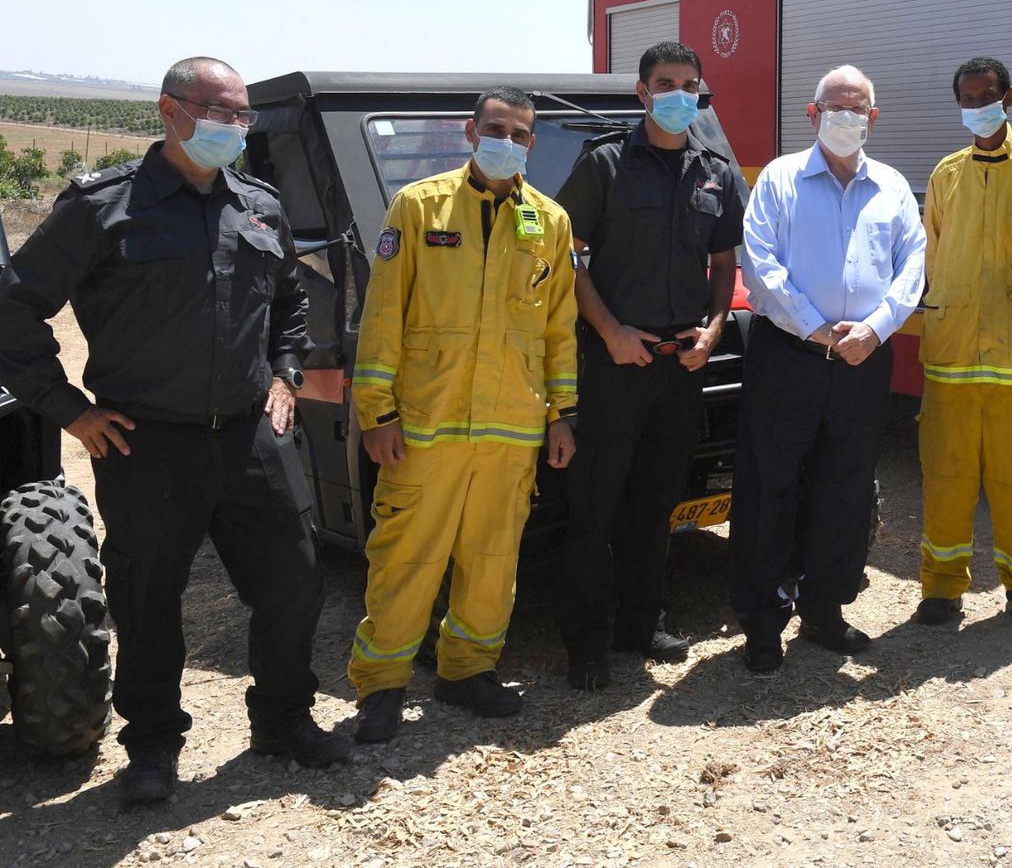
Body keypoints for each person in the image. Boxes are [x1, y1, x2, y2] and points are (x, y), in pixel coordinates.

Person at [0, 56, 348, 805]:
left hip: (251, 437)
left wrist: (285, 374)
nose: (235, 127)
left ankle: (284, 719)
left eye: (243, 116)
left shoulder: (259, 205)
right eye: (219, 111)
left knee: (294, 581)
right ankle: (152, 746)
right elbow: (13, 308)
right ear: (169, 110)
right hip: (145, 441)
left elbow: (290, 299)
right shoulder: (103, 206)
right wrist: (69, 409)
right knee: (149, 600)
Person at [348, 86, 578, 741]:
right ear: (470, 131)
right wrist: (376, 412)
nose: (508, 141)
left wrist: (563, 414)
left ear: (533, 143)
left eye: (521, 133)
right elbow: (384, 313)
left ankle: (467, 673)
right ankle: (381, 687)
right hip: (426, 426)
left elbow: (558, 328)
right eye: (497, 128)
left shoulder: (549, 222)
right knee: (404, 561)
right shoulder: (419, 206)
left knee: (492, 560)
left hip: (511, 430)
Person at [553, 41, 745, 691]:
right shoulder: (603, 165)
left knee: (655, 504)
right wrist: (609, 333)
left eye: (689, 84)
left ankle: (642, 623)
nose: (678, 94)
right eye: (665, 83)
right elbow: (570, 261)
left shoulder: (713, 170)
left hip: (677, 369)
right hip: (612, 365)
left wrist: (715, 331)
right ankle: (585, 642)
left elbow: (724, 266)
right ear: (641, 92)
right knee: (594, 510)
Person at [732, 64, 926, 672]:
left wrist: (874, 329)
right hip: (789, 356)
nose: (847, 118)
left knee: (846, 488)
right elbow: (759, 261)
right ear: (812, 115)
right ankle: (762, 623)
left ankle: (825, 608)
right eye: (834, 108)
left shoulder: (891, 186)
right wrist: (816, 327)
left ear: (873, 118)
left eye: (858, 109)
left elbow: (913, 264)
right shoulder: (780, 180)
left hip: (863, 361)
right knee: (771, 486)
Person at [917, 57, 1012, 634]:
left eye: (986, 94)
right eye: (966, 96)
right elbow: (931, 257)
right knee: (947, 474)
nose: (977, 104)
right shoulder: (946, 175)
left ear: (1008, 97)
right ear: (957, 103)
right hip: (952, 353)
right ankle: (940, 588)